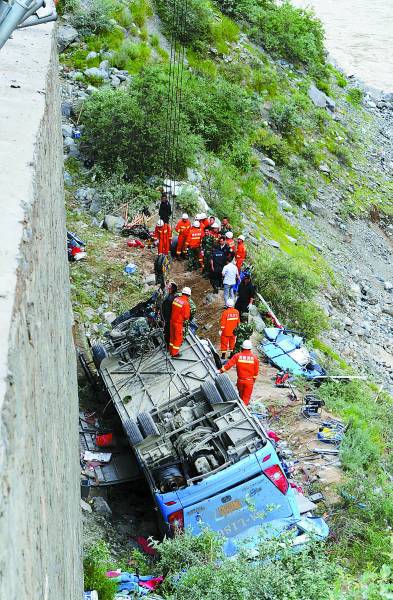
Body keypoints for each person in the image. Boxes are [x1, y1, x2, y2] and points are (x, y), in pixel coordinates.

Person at [219, 339, 259, 406]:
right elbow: (255, 373)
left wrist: (220, 371)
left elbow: (228, 365)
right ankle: (243, 411)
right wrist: (253, 381)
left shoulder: (237, 356)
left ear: (242, 347)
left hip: (240, 381)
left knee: (240, 397)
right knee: (246, 398)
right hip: (249, 381)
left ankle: (240, 407)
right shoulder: (254, 358)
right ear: (250, 348)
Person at [169, 287, 191, 357]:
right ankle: (174, 353)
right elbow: (186, 316)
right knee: (178, 338)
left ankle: (171, 350)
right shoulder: (186, 303)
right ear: (189, 295)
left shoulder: (176, 299)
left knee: (172, 336)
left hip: (172, 320)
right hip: (178, 323)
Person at [161, 282, 178, 346]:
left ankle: (168, 345)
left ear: (171, 289)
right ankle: (169, 344)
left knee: (167, 332)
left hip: (167, 318)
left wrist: (164, 319)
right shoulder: (171, 297)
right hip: (168, 318)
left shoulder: (169, 298)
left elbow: (166, 309)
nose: (167, 287)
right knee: (168, 332)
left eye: (169, 286)